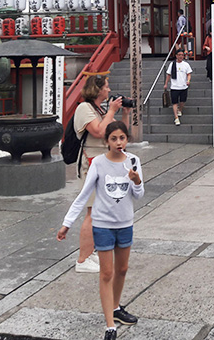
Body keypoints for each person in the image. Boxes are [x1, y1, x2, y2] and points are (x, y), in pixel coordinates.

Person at [57, 121, 144, 340]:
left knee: (122, 269)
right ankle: (110, 326)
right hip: (103, 224)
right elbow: (84, 195)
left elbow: (139, 195)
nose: (118, 143)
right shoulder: (97, 163)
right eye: (113, 139)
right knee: (107, 273)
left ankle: (115, 308)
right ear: (106, 141)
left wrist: (136, 181)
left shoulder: (133, 161)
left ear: (127, 140)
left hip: (125, 223)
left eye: (122, 138)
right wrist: (67, 223)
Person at [72, 74, 131, 273]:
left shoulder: (99, 109)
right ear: (97, 90)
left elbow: (117, 133)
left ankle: (92, 252)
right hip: (90, 164)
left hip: (104, 164)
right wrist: (112, 110)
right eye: (106, 87)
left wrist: (124, 114)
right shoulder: (84, 108)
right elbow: (98, 131)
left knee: (99, 212)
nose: (108, 90)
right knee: (91, 212)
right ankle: (82, 260)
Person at [164, 48, 192, 126]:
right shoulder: (172, 64)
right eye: (179, 55)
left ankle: (180, 109)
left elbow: (189, 74)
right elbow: (168, 75)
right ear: (176, 56)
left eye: (182, 55)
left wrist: (188, 81)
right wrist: (166, 84)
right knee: (174, 102)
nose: (180, 56)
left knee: (182, 101)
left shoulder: (186, 64)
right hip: (174, 87)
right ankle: (176, 118)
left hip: (183, 86)